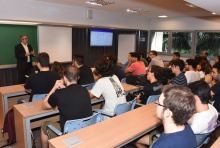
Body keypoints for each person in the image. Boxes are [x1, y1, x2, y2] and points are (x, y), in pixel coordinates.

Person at [41, 65, 92, 148]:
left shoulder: (59, 94)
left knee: (44, 125)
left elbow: (44, 105)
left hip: (68, 134)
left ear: (64, 78)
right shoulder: (85, 91)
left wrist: (55, 87)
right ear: (78, 78)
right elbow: (72, 93)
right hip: (85, 129)